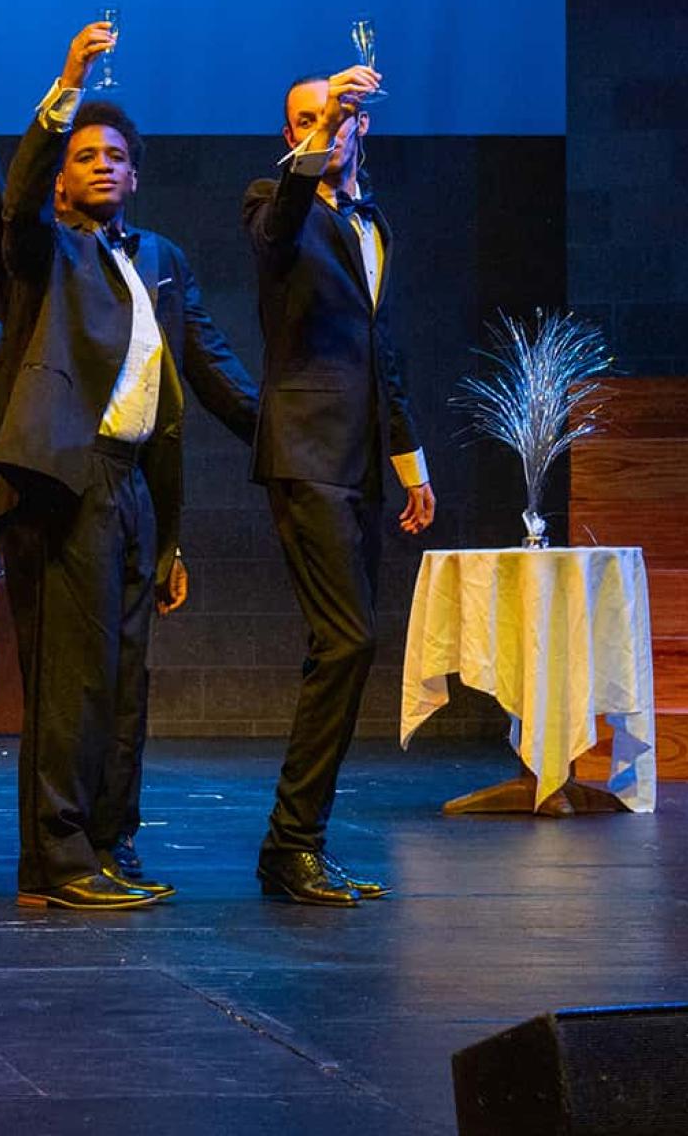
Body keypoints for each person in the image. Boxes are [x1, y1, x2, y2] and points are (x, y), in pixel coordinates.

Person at [0, 26, 258, 909]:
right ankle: (58, 858)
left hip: (132, 489)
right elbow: (2, 204)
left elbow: (211, 365)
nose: (103, 165)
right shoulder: (44, 249)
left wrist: (282, 438)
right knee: (70, 680)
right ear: (63, 174)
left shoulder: (159, 259)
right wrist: (64, 86)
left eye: (117, 156)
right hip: (61, 479)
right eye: (86, 154)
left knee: (123, 682)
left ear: (137, 174)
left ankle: (108, 845)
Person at [243, 63, 432, 906]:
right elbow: (278, 227)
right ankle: (290, 844)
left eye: (340, 114)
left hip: (361, 461)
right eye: (307, 119)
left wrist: (410, 463)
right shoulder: (272, 203)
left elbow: (382, 351)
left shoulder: (374, 223)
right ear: (293, 135)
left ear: (367, 127)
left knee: (346, 651)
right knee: (347, 639)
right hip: (305, 453)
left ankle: (297, 846)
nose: (326, 125)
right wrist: (316, 148)